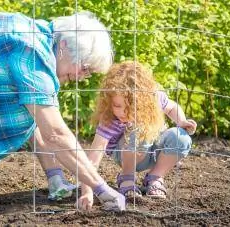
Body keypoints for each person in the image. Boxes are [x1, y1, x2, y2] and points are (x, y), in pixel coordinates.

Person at [0, 12, 125, 211]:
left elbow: (35, 118)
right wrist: (102, 189)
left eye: (88, 73)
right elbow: (55, 134)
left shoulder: (38, 36)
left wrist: (54, 176)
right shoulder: (31, 54)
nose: (80, 77)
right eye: (84, 68)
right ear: (65, 46)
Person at [78, 61, 197, 210]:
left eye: (130, 107)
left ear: (143, 102)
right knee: (137, 129)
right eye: (117, 106)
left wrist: (182, 121)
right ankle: (127, 178)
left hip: (154, 152)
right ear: (109, 101)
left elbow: (172, 107)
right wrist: (87, 191)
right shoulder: (110, 120)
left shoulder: (154, 98)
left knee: (181, 136)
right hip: (124, 153)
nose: (123, 112)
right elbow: (94, 156)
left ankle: (155, 177)